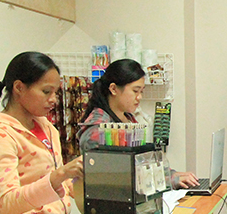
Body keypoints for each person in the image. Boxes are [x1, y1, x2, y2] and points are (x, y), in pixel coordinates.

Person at [0, 51, 83, 214]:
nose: (54, 99)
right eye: (46, 91)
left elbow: (55, 179)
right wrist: (61, 174)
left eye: (56, 93)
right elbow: (7, 205)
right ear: (19, 88)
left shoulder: (47, 128)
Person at [79, 58, 198, 189]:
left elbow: (142, 162)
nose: (139, 97)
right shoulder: (98, 130)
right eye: (135, 91)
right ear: (113, 89)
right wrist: (169, 180)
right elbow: (118, 177)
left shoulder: (129, 119)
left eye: (141, 91)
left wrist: (171, 174)